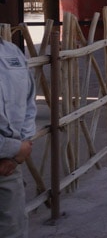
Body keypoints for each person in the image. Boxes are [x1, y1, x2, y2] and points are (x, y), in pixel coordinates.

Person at [0, 37, 37, 238]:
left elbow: (29, 102)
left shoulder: (12, 53)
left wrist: (18, 154)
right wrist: (14, 149)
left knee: (12, 229)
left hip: (8, 169)